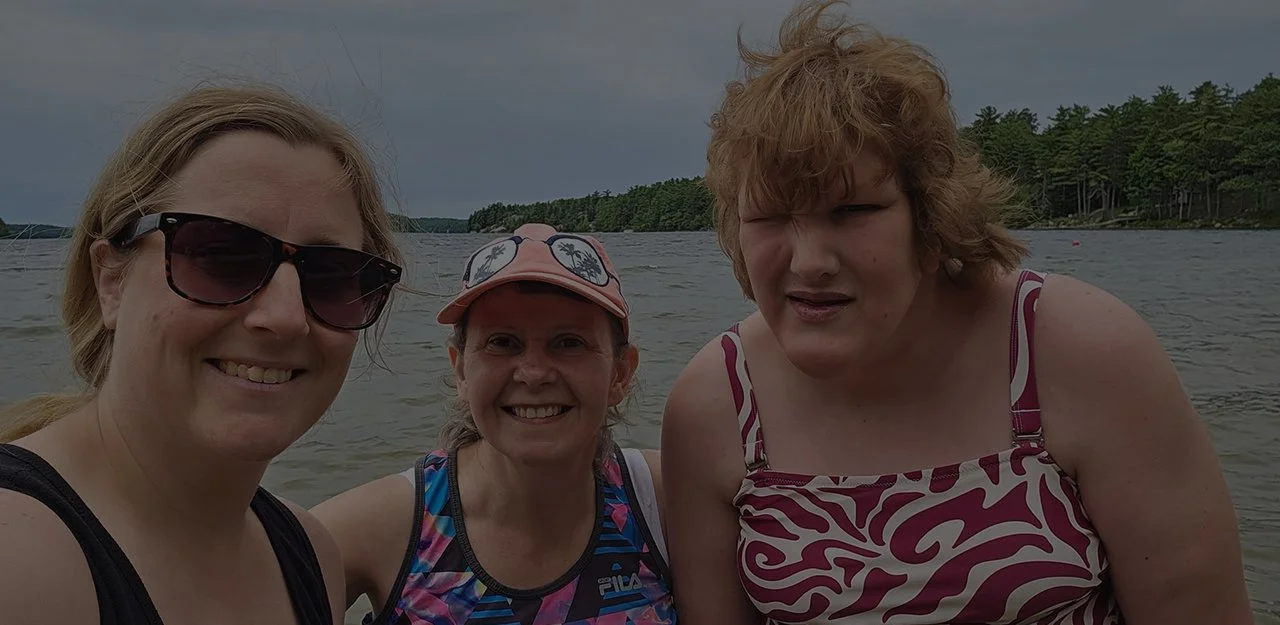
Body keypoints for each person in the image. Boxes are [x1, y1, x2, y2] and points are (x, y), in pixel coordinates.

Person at [660, 1, 1255, 624]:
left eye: (853, 211)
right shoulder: (714, 405)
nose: (809, 261)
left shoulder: (1076, 349)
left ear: (930, 216)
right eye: (772, 217)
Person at [0, 84, 406, 624]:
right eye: (220, 254)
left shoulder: (308, 552)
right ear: (111, 279)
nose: (284, 316)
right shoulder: (21, 560)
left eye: (331, 275)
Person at [312, 222, 676, 624]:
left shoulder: (663, 502)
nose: (534, 373)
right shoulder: (388, 526)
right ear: (461, 370)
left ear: (621, 373)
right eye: (502, 342)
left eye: (569, 342)